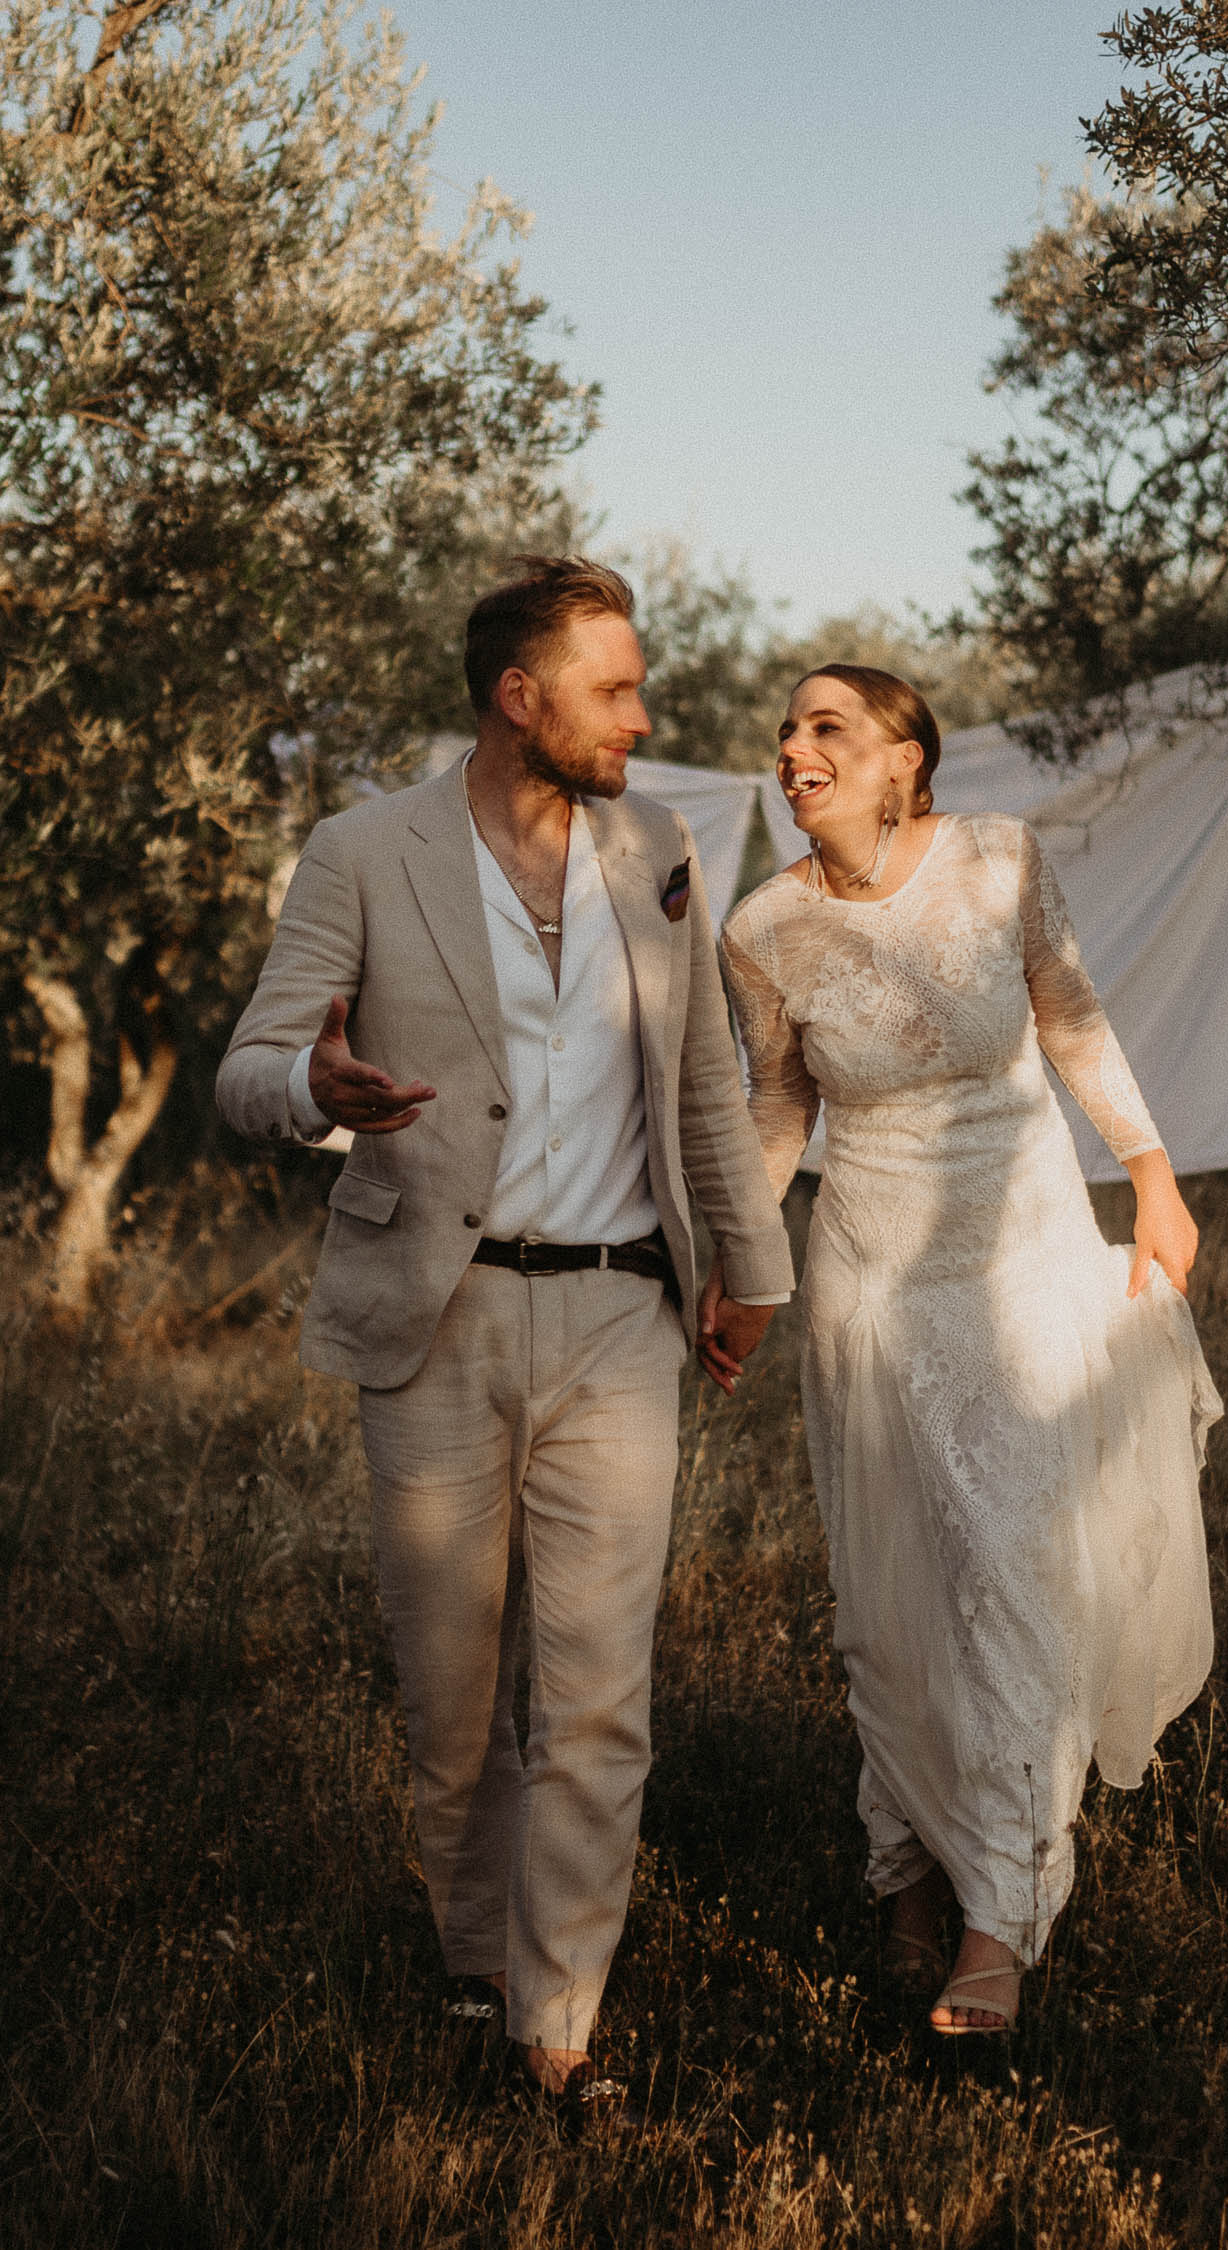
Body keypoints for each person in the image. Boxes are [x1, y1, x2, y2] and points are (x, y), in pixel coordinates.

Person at [217, 556, 794, 2109]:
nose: (642, 713)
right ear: (518, 699)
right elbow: (250, 1061)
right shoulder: (362, 850)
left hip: (622, 1315)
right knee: (453, 1693)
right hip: (437, 1318)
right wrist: (309, 1090)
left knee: (600, 1689)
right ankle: (476, 1950)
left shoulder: (661, 846)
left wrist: (749, 1271)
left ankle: (560, 2022)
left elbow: (703, 1089)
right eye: (614, 688)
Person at [707, 664, 1220, 2034]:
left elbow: (1072, 1017)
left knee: (1012, 1564)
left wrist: (1154, 1173)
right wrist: (739, 1267)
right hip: (869, 1279)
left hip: (1023, 1258)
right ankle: (904, 1873)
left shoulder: (999, 859)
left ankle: (1000, 1909)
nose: (795, 745)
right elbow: (778, 1109)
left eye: (830, 726)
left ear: (902, 760)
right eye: (789, 728)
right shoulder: (761, 928)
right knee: (893, 1592)